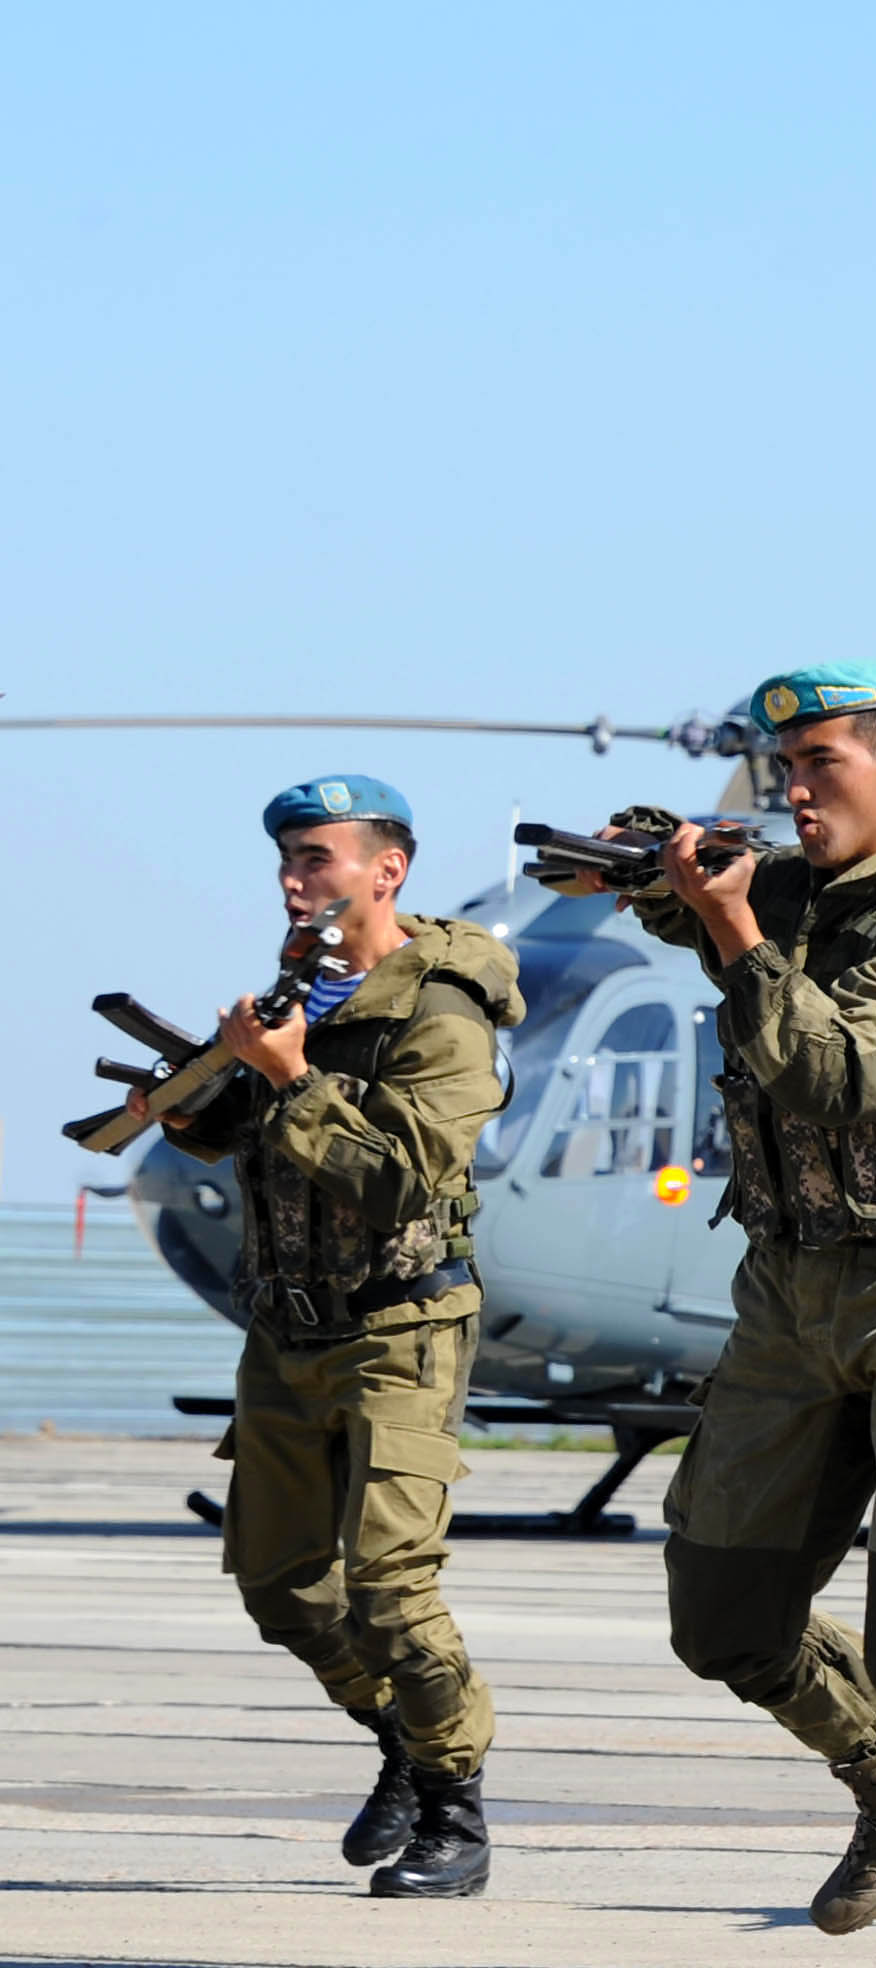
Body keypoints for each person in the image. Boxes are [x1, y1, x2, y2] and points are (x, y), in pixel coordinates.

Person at [611, 663, 876, 1968]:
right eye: (779, 770)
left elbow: (856, 1072)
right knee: (723, 1615)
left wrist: (732, 930)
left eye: (820, 770)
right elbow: (683, 911)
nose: (793, 793)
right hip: (789, 1293)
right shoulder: (793, 887)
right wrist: (648, 862)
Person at [154, 775, 522, 1899]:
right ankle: (402, 1741)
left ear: (384, 870)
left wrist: (295, 1076)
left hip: (399, 1327)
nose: (294, 879)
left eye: (315, 857)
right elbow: (239, 1137)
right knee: (280, 1583)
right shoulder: (301, 986)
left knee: (392, 1588)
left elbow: (407, 1179)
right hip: (287, 1329)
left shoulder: (440, 1008)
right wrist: (206, 1089)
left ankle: (455, 1808)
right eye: (286, 860)